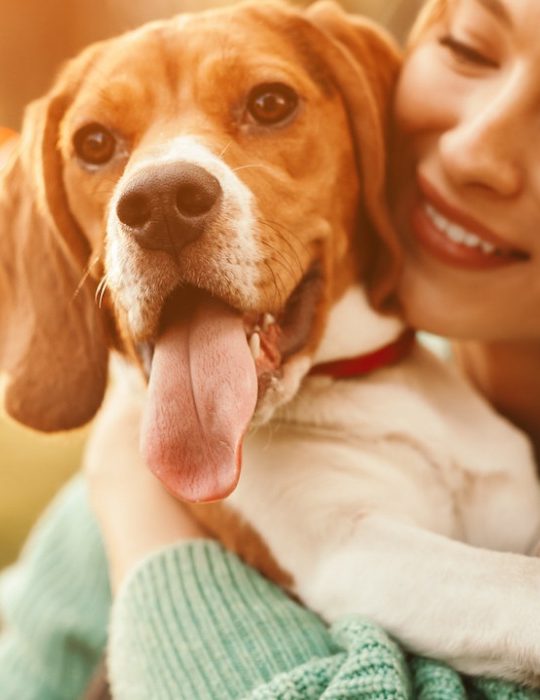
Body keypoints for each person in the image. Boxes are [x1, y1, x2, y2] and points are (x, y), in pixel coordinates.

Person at [2, 0, 540, 698]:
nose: (157, 188)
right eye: (99, 147)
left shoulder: (451, 397)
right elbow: (356, 562)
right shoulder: (156, 463)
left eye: (268, 103)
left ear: (363, 127)